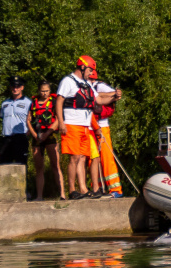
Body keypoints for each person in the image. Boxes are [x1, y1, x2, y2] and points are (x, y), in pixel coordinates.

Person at [56, 56, 120, 199]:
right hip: (72, 124)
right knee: (74, 157)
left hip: (85, 126)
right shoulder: (68, 81)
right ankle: (72, 190)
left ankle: (83, 189)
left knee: (82, 158)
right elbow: (59, 101)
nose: (91, 73)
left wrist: (114, 97)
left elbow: (99, 99)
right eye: (90, 70)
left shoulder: (86, 84)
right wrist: (61, 122)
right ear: (83, 67)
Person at [88, 68, 123, 198]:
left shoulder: (100, 86)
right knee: (92, 159)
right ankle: (97, 187)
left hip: (102, 127)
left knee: (106, 157)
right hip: (90, 127)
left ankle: (115, 189)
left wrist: (110, 95)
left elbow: (115, 96)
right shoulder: (84, 87)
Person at [28, 80, 66, 201]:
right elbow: (28, 120)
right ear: (39, 91)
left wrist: (47, 133)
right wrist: (34, 135)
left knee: (55, 165)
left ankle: (62, 194)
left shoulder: (53, 102)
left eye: (47, 91)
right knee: (39, 168)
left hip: (50, 136)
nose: (44, 93)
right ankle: (39, 196)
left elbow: (58, 120)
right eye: (42, 91)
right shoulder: (33, 103)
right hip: (37, 137)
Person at [0, 77, 31, 165]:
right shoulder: (5, 103)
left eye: (18, 86)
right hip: (7, 137)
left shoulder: (28, 103)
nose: (15, 89)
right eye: (13, 86)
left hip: (20, 137)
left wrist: (28, 132)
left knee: (21, 164)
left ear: (22, 87)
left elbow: (31, 120)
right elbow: (2, 117)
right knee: (4, 164)